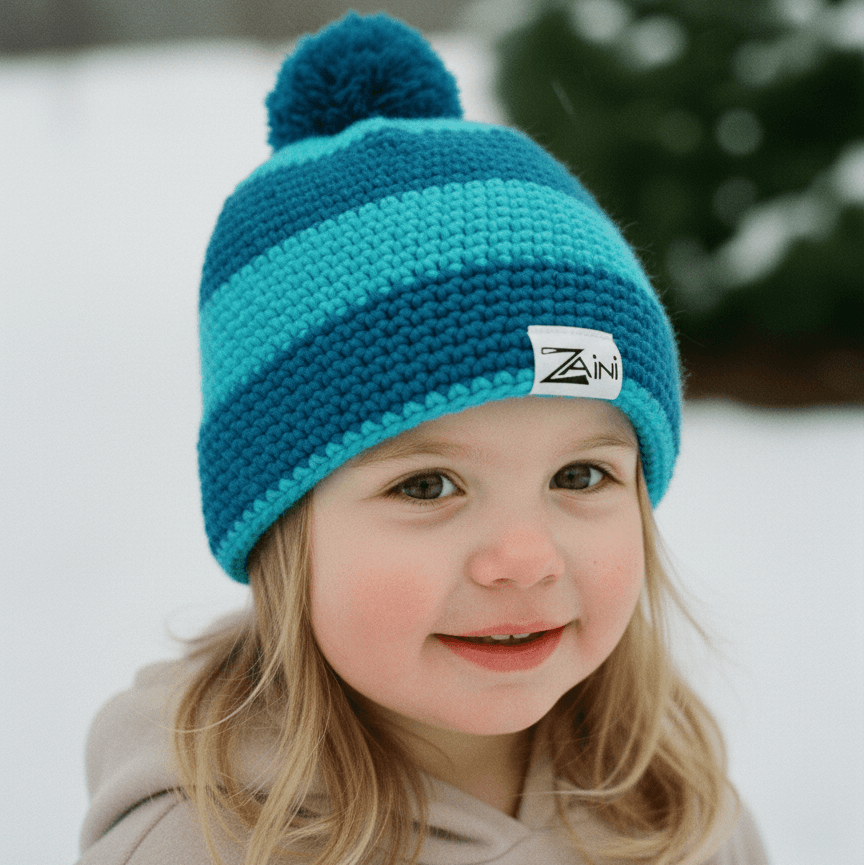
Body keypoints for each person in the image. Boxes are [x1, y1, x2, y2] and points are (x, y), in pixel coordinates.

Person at [75, 13, 770, 865]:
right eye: (427, 485)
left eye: (581, 474)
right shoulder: (202, 844)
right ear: (280, 526)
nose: (525, 557)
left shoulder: (676, 800)